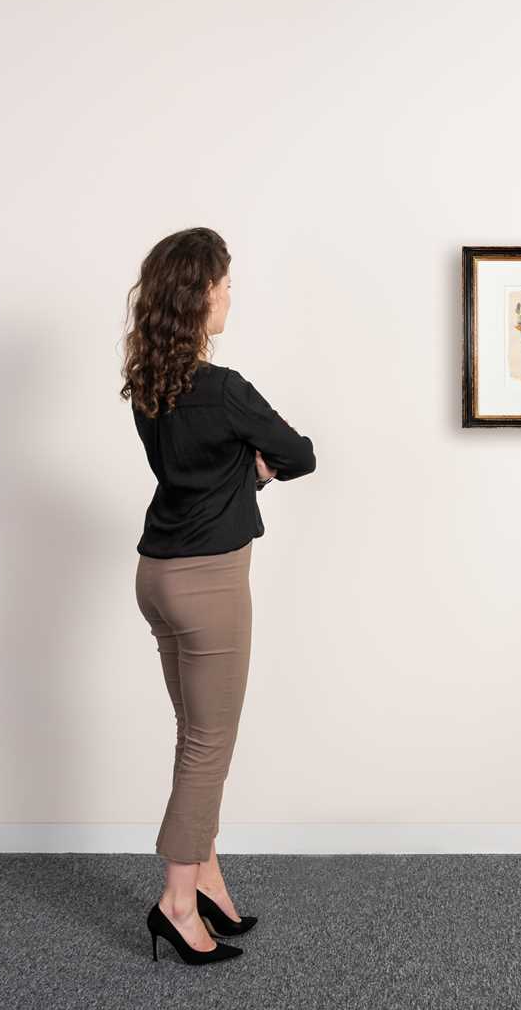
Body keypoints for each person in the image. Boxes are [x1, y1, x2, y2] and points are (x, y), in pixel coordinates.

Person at [119, 226, 317, 966]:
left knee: (194, 733)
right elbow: (301, 452)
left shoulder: (150, 384)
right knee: (208, 744)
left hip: (155, 576)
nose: (232, 294)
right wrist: (258, 470)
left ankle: (206, 877)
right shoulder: (224, 388)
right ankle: (176, 900)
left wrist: (241, 472)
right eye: (226, 283)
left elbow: (190, 468)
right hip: (209, 581)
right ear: (201, 293)